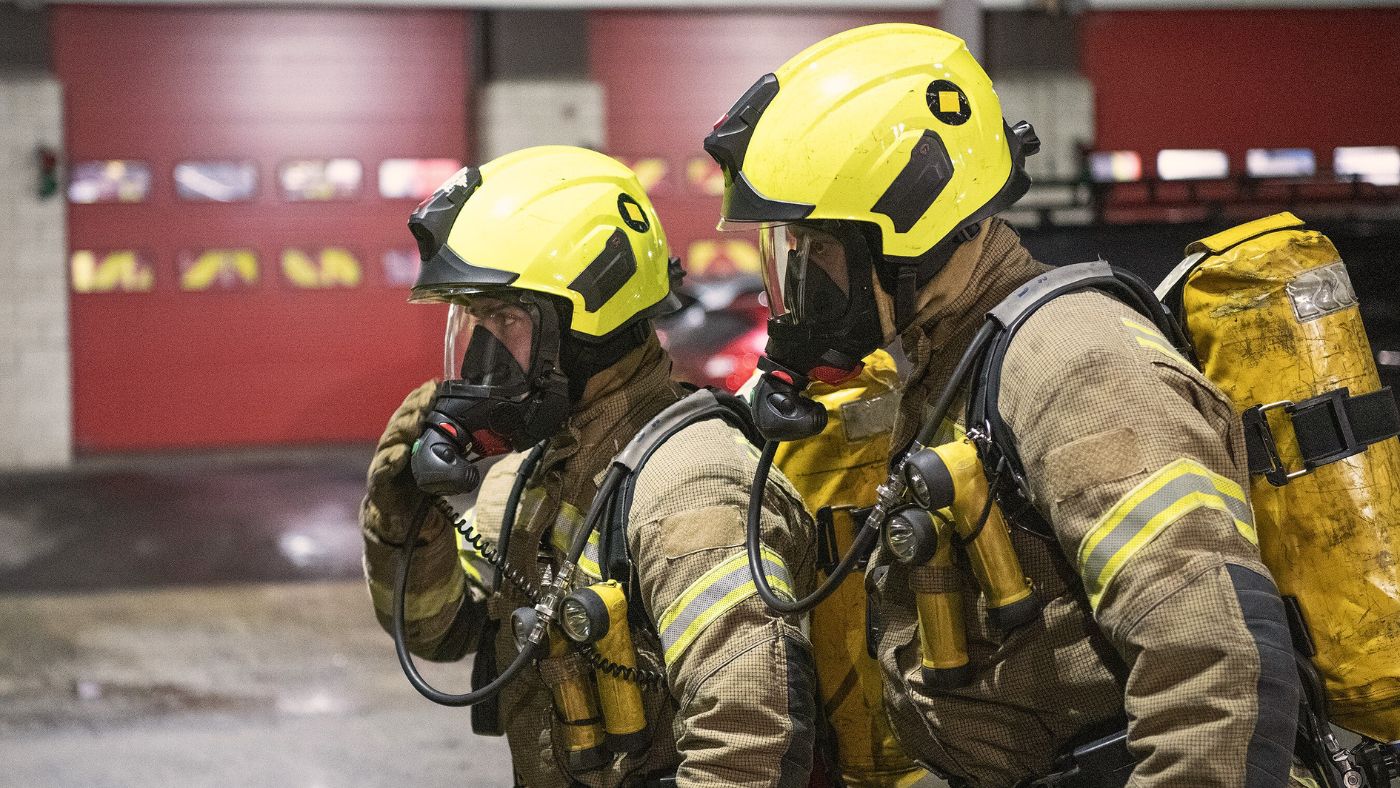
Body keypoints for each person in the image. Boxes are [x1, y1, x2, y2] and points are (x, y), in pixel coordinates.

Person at [704, 23, 1301, 787]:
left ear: (911, 227)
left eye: (819, 249)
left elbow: (1216, 661)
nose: (805, 285)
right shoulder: (949, 363)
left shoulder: (1073, 360)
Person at [359, 146, 817, 787]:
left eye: (506, 319)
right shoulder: (535, 475)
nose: (483, 355)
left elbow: (748, 748)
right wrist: (408, 516)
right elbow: (438, 633)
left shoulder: (692, 487)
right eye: (477, 322)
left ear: (588, 318)